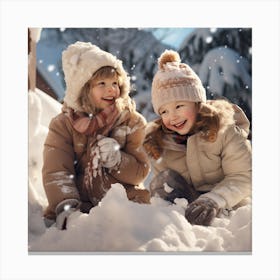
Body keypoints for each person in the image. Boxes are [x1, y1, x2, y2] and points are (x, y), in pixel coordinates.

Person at [42, 41, 150, 230]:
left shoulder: (132, 122)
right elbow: (57, 171)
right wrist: (67, 207)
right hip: (79, 204)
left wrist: (118, 161)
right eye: (102, 83)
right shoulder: (63, 124)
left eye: (115, 83)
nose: (111, 89)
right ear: (84, 88)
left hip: (122, 201)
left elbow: (141, 171)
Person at [143, 49, 252, 226]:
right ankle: (168, 226)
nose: (173, 116)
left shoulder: (225, 131)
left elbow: (244, 175)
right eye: (164, 111)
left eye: (179, 106)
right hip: (190, 209)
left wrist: (215, 199)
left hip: (229, 205)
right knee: (164, 180)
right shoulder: (161, 143)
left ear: (197, 104)